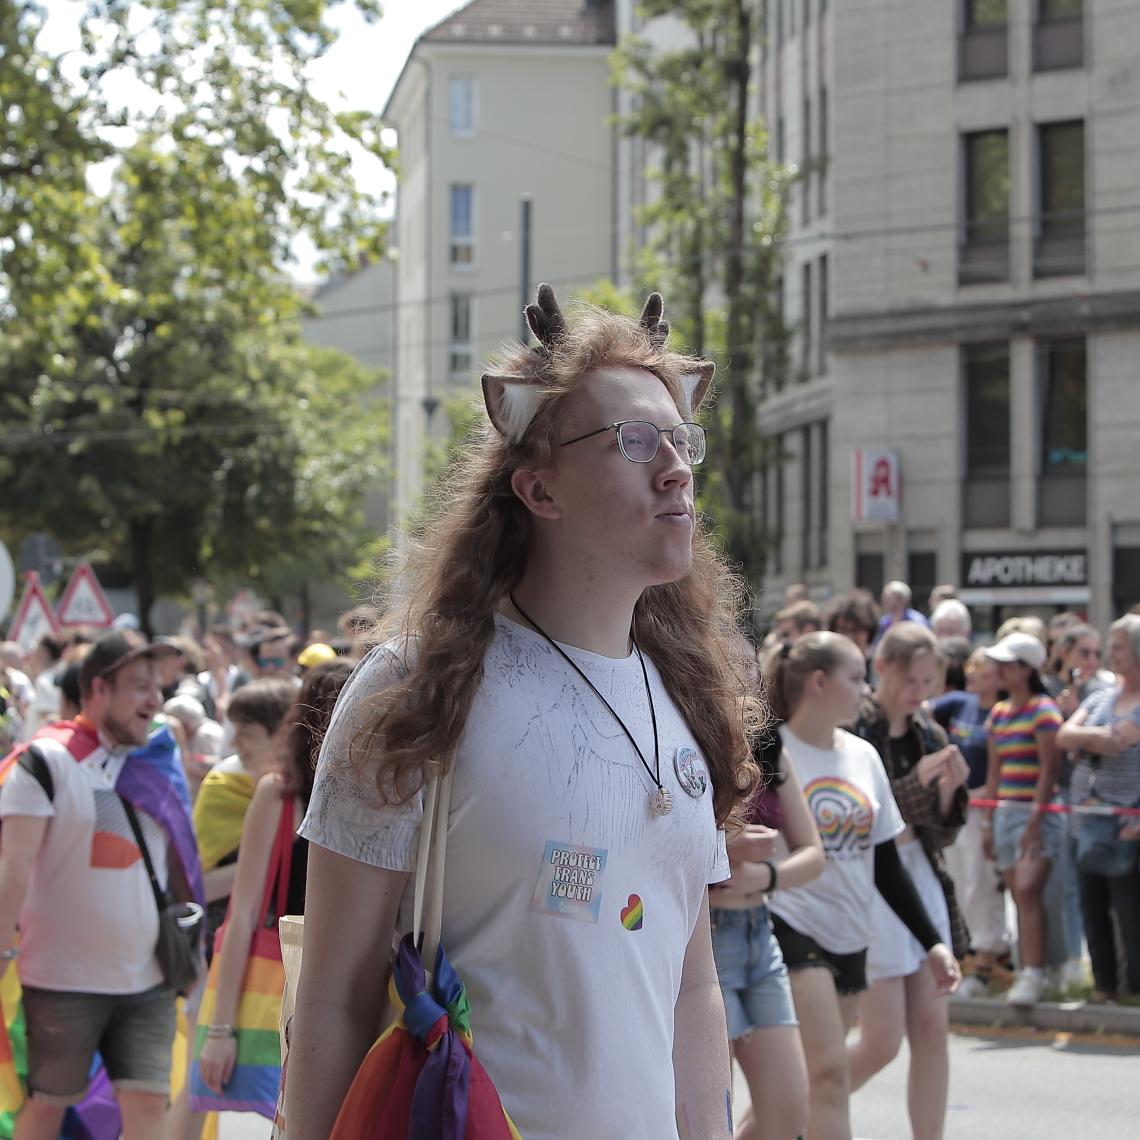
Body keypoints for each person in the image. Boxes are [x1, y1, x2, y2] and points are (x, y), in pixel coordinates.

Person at [286, 289, 760, 1140]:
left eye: (681, 438)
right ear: (539, 489)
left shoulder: (690, 698)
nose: (677, 465)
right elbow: (332, 1000)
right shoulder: (420, 688)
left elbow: (691, 989)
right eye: (634, 440)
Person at [0, 633, 199, 1140]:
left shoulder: (156, 761)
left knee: (151, 1107)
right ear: (96, 691)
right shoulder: (43, 762)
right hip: (61, 980)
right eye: (138, 686)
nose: (154, 698)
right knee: (47, 1108)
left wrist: (196, 946)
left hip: (148, 978)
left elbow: (178, 864)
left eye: (157, 686)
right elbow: (12, 864)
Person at [764, 633, 960, 1140]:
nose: (866, 688)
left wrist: (933, 943)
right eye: (856, 678)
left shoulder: (863, 755)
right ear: (819, 682)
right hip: (790, 924)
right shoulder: (772, 751)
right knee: (830, 1073)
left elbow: (887, 865)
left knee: (817, 1084)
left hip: (852, 933)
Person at [193, 659, 353, 1107]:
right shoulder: (278, 792)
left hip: (345, 990)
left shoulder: (380, 793)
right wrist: (221, 1030)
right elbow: (241, 915)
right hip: (283, 980)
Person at [849, 623, 970, 1140]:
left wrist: (948, 792)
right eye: (911, 678)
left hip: (918, 872)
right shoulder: (856, 729)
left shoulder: (930, 732)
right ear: (882, 669)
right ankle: (799, 1105)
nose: (920, 690)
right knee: (881, 1040)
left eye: (928, 679)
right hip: (874, 879)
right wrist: (916, 783)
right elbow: (859, 818)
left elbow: (940, 833)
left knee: (932, 1029)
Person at [710, 641, 824, 1140]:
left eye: (751, 670)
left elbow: (814, 853)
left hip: (760, 934)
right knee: (710, 1113)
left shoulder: (769, 744)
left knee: (788, 1113)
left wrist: (769, 875)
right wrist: (728, 848)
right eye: (733, 669)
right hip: (705, 942)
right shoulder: (684, 738)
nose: (746, 681)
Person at [1057, 615, 1140, 1001]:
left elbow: (1119, 739)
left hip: (1127, 827)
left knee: (1129, 910)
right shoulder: (1101, 697)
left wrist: (1087, 738)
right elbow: (1065, 735)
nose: (1109, 653)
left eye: (1118, 646)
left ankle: (1134, 988)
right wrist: (1095, 738)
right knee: (1092, 906)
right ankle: (1105, 986)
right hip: (1085, 824)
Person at [979, 632, 1064, 1007]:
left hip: (1036, 814)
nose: (999, 670)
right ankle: (1035, 969)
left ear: (1025, 669)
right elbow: (995, 773)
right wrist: (986, 822)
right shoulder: (997, 713)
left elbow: (1050, 771)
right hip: (1005, 814)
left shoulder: (1045, 710)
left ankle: (1034, 973)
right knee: (1019, 895)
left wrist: (1035, 818)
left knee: (1028, 892)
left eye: (1007, 665)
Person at [193, 679, 298, 964]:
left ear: (283, 734)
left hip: (286, 959)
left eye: (245, 731)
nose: (233, 741)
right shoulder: (224, 785)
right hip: (225, 949)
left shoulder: (312, 799)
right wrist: (264, 849)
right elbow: (198, 886)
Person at [936, 648, 1009, 996]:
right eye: (971, 666)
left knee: (983, 883)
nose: (973, 672)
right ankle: (967, 952)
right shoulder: (956, 703)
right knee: (961, 880)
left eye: (982, 668)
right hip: (957, 806)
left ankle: (989, 958)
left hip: (984, 807)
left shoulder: (1001, 712)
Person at [826, 591, 880, 682]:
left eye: (855, 630)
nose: (849, 636)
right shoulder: (826, 670)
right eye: (843, 629)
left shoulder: (879, 670)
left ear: (869, 632)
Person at [22, 633, 65, 739]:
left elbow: (50, 718)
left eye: (33, 648)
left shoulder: (45, 680)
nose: (29, 655)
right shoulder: (54, 677)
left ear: (42, 653)